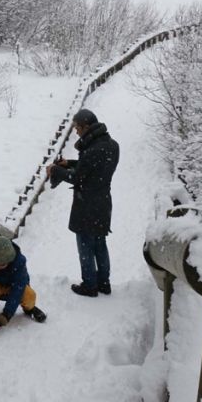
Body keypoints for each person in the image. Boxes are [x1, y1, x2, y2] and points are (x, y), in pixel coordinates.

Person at [47, 108, 120, 297]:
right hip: (103, 202)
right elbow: (92, 169)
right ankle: (103, 283)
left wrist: (56, 171)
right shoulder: (111, 145)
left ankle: (89, 285)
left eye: (77, 127)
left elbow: (79, 178)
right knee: (99, 243)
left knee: (85, 244)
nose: (75, 131)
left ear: (86, 126)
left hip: (87, 204)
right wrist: (69, 163)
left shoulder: (93, 149)